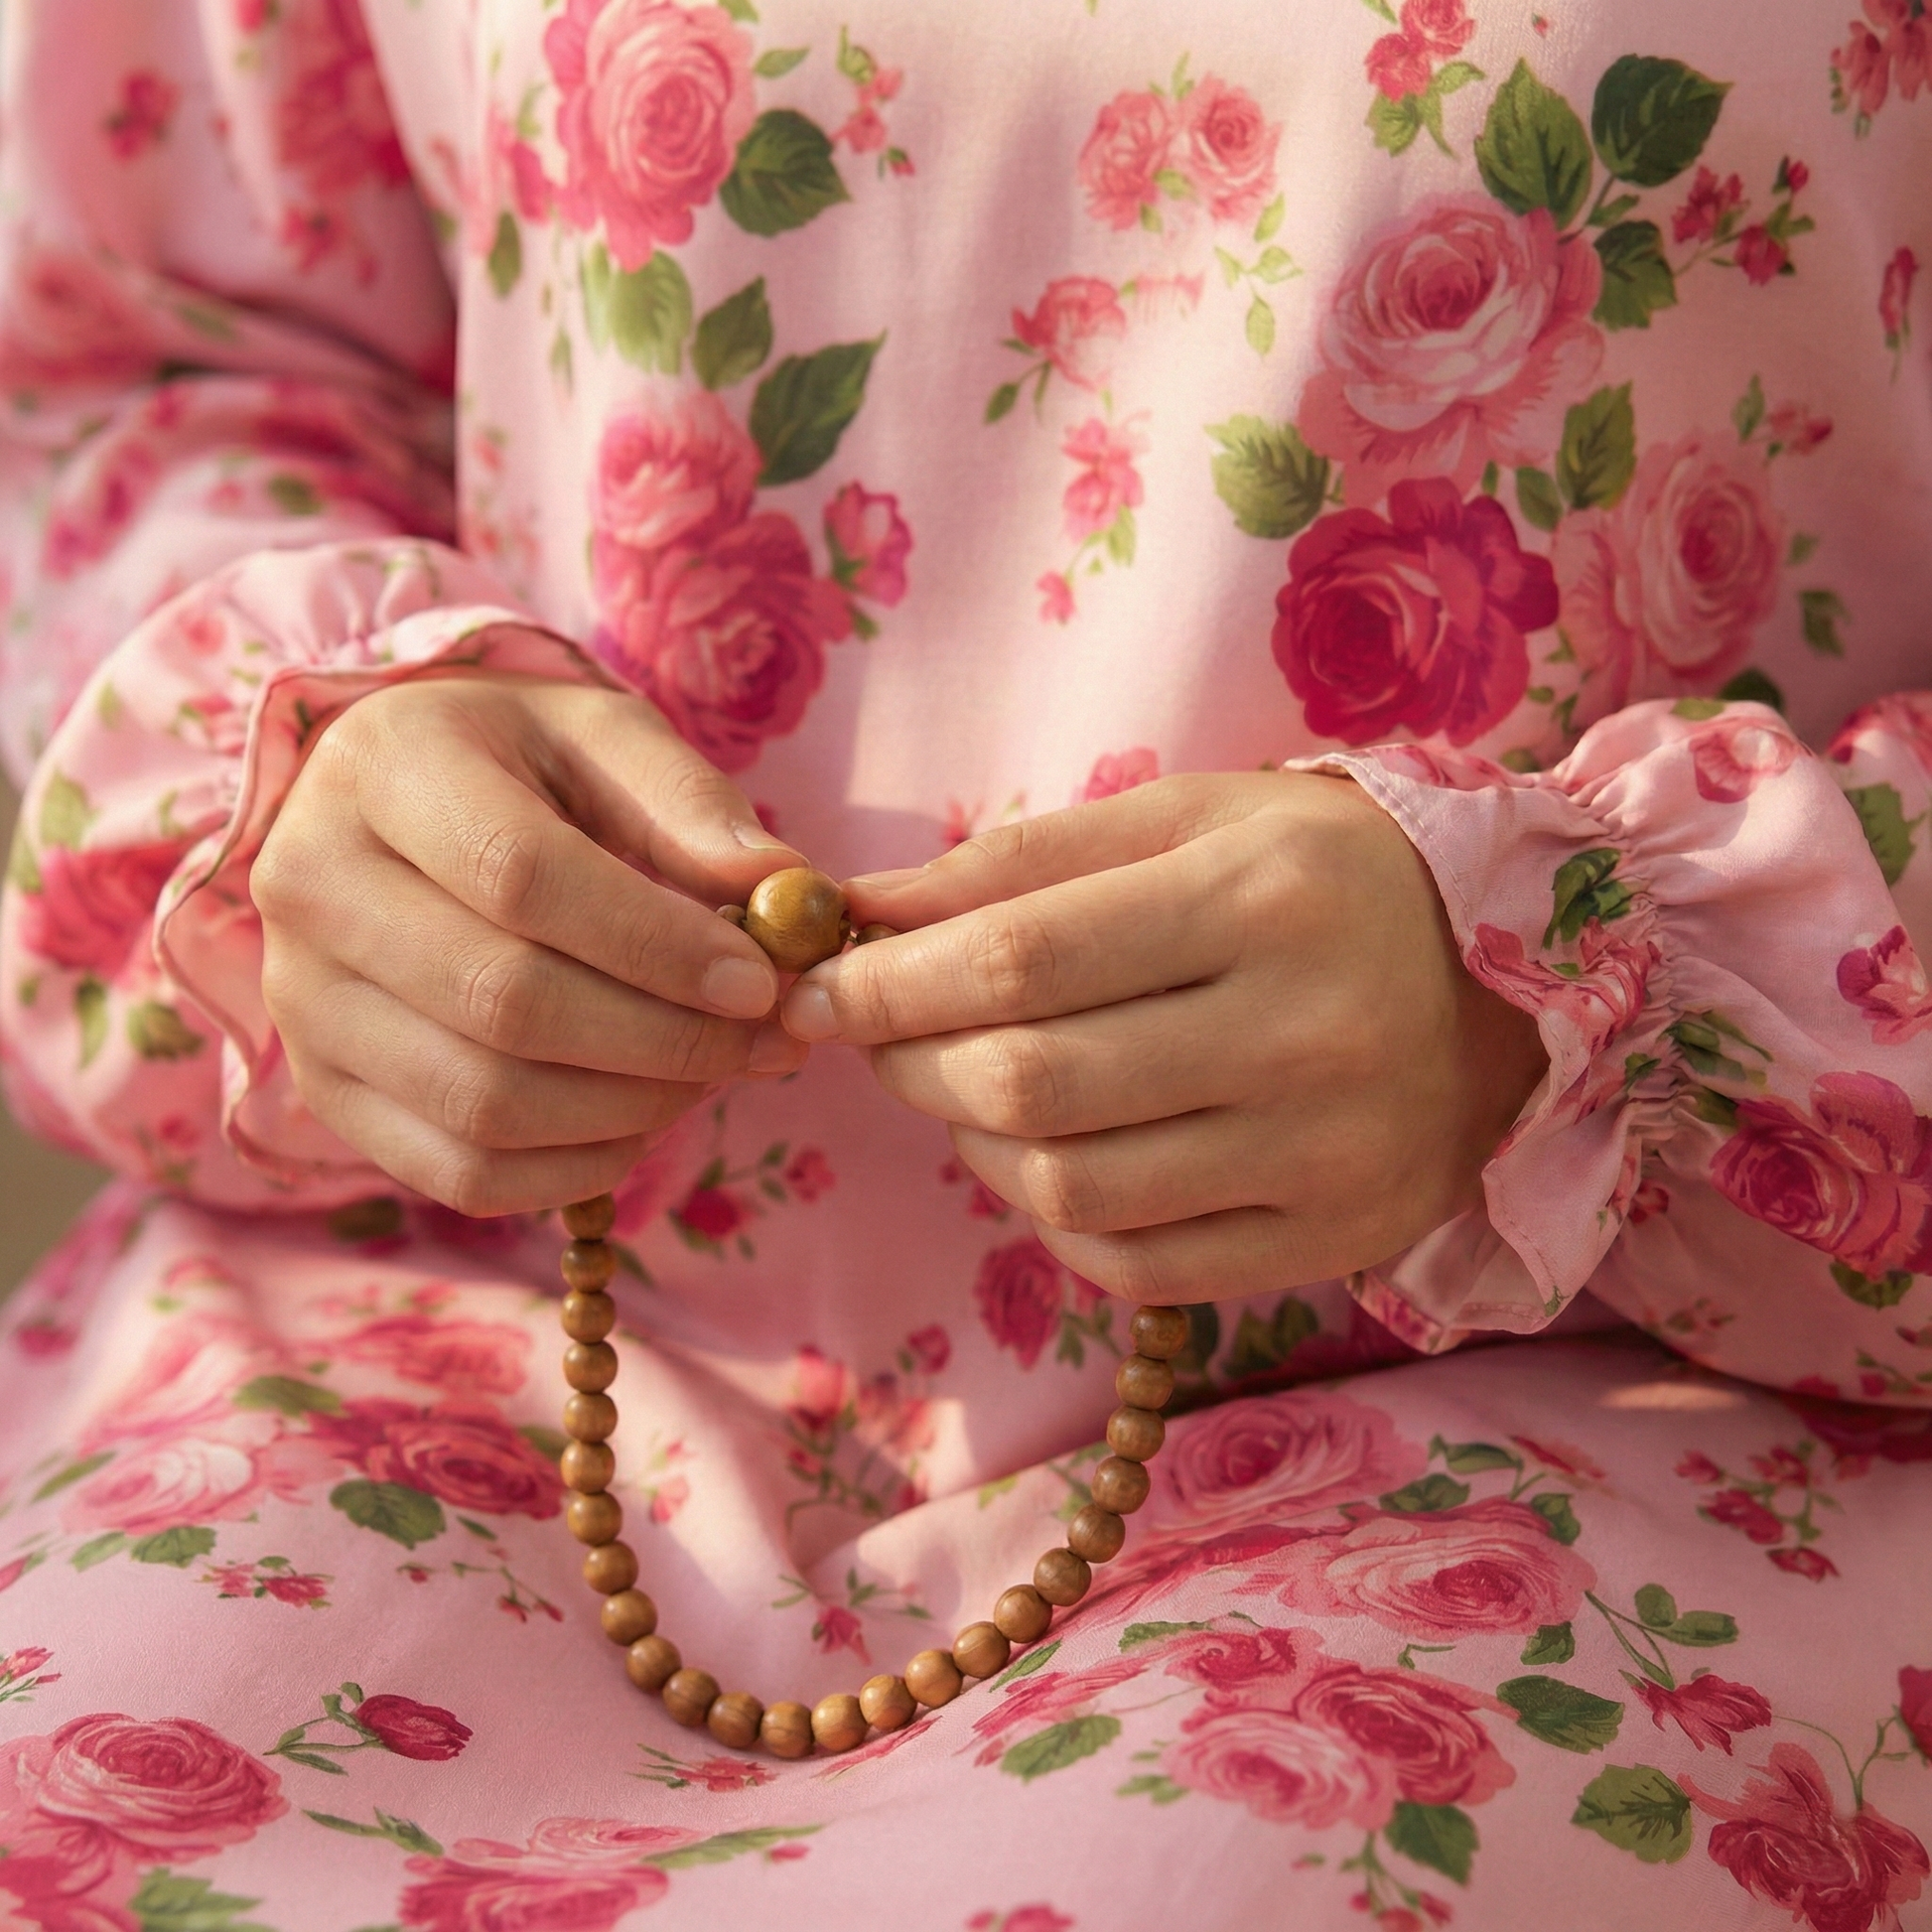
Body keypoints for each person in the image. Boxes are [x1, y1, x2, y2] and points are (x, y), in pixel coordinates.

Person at [0, 2, 1928, 1926]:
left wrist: (1579, 1002)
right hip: (492, 1330)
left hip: (1616, 1419)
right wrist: (318, 784)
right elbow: (126, 365)